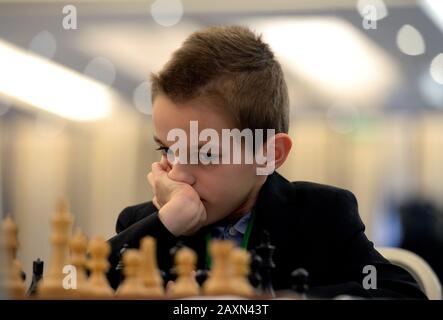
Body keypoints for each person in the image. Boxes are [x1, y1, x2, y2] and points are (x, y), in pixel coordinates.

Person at [107, 25, 426, 299]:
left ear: (269, 155)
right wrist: (165, 225)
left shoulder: (321, 214)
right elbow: (81, 285)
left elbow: (403, 293)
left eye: (205, 154)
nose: (177, 174)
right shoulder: (145, 225)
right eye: (166, 149)